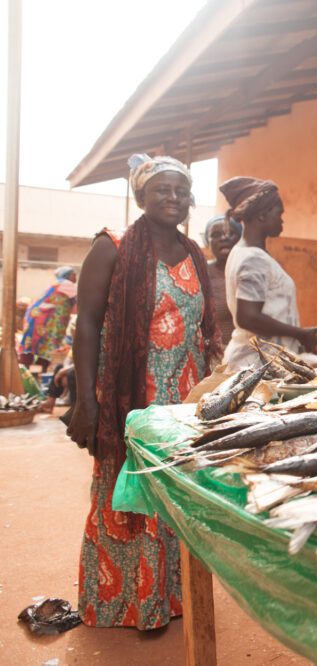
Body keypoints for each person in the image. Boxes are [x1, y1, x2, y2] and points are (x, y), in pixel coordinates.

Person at [68, 153, 221, 629]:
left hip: (184, 399)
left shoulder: (194, 253)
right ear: (140, 196)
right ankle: (119, 602)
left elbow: (203, 326)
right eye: (161, 189)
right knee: (126, 496)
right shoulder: (111, 247)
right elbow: (88, 325)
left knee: (176, 494)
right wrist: (86, 401)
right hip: (130, 397)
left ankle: (171, 598)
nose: (173, 198)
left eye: (180, 191)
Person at [220, 176, 317, 370]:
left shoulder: (244, 253)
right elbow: (248, 317)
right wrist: (300, 334)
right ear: (262, 215)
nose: (282, 219)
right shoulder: (253, 259)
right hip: (256, 365)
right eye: (279, 213)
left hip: (261, 362)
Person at [19, 266, 78, 372]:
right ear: (68, 275)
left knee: (38, 346)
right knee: (42, 345)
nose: (76, 277)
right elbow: (80, 302)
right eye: (74, 275)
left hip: (39, 317)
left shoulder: (58, 284)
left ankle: (31, 375)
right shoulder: (66, 284)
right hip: (43, 319)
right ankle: (27, 375)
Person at [202, 214, 242, 348]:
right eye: (216, 234)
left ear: (241, 238)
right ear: (207, 241)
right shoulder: (199, 272)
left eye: (231, 233)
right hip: (210, 354)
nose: (224, 238)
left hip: (245, 354)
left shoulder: (250, 272)